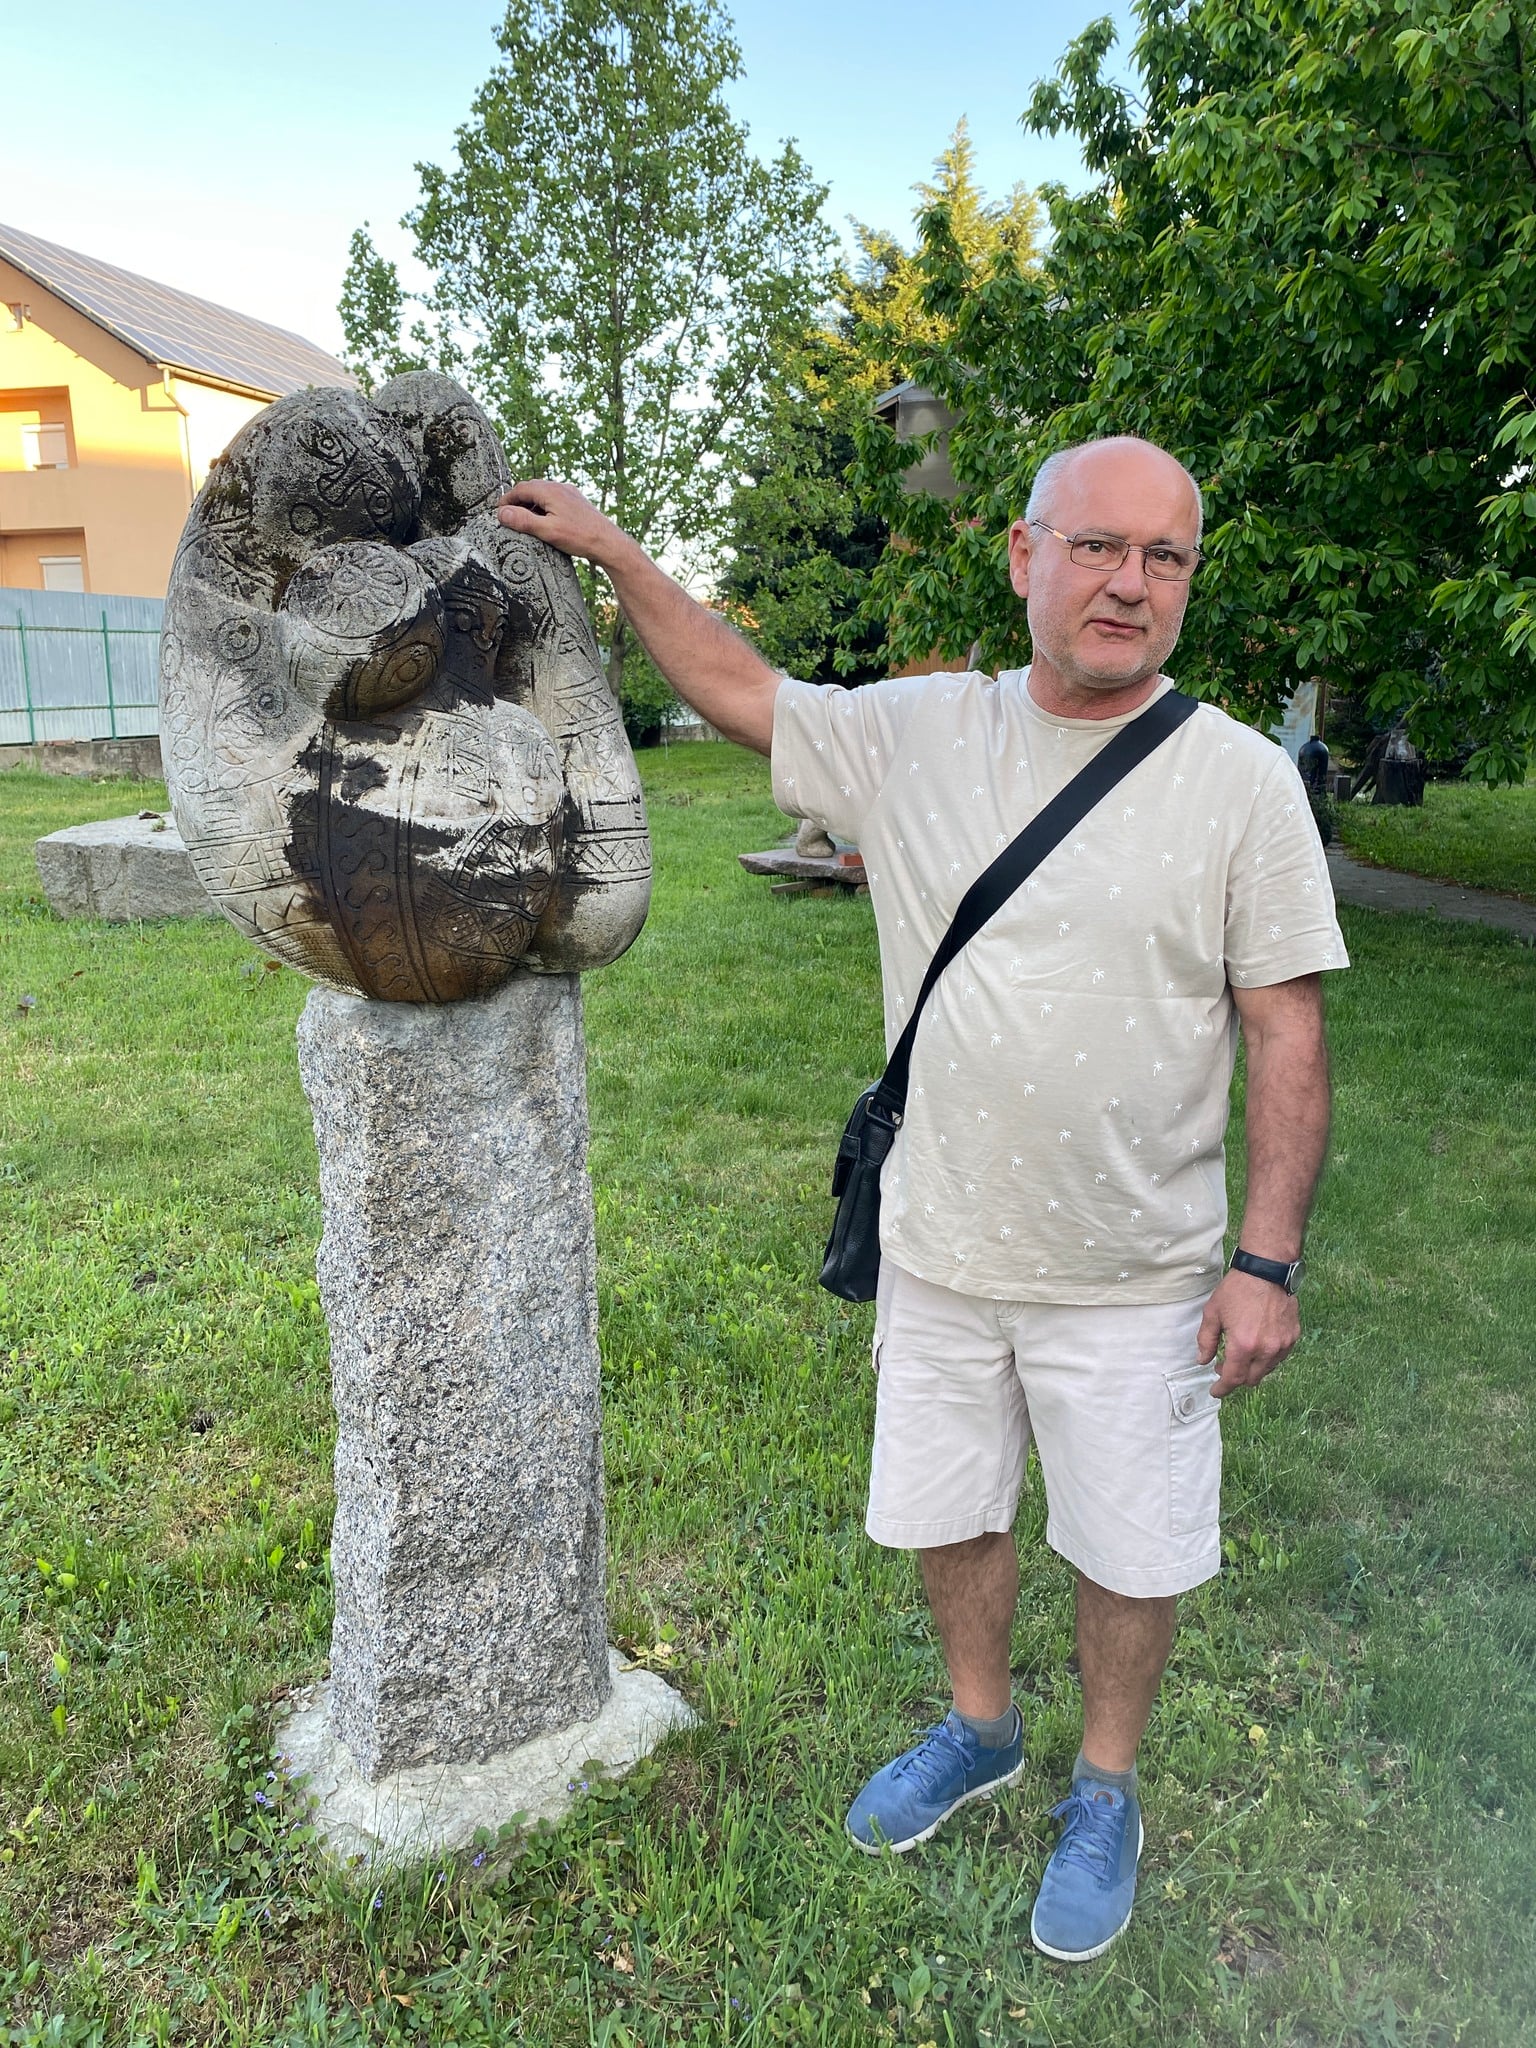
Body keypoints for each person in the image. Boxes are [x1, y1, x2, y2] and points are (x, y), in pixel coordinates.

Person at [497, 437, 1346, 1962]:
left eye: (1163, 557)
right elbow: (744, 690)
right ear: (1026, 556)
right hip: (941, 1248)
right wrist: (616, 554)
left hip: (1141, 1270)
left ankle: (1104, 1786)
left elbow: (1287, 1027)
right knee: (951, 1514)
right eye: (1097, 546)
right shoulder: (918, 735)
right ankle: (980, 1728)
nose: (1129, 583)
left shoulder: (1241, 782)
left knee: (1129, 1549)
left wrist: (1265, 1260)